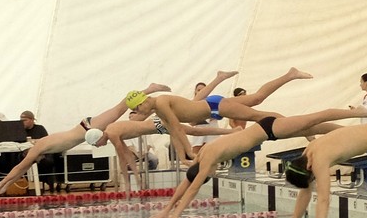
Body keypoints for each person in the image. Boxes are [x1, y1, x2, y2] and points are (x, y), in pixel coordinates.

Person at [150, 103, 367, 218]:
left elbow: (193, 188)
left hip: (268, 128)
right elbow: (188, 182)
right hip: (266, 130)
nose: (213, 172)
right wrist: (166, 209)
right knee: (313, 128)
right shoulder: (202, 155)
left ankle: (357, 113)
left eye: (209, 174)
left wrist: (174, 216)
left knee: (315, 119)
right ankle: (354, 131)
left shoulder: (207, 161)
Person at [0, 88, 172, 198]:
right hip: (86, 130)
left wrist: (1, 186)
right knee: (124, 123)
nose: (37, 160)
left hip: (87, 128)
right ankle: (158, 119)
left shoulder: (37, 148)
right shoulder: (41, 144)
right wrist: (2, 186)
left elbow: (18, 169)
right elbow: (19, 171)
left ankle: (149, 90)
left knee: (119, 109)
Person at [126, 68, 310, 166]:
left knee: (259, 115)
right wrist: (182, 157)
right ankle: (290, 75)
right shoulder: (158, 109)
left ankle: (302, 128)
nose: (140, 112)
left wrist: (189, 153)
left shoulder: (161, 103)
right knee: (257, 99)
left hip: (214, 106)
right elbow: (174, 133)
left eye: (138, 107)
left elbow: (179, 129)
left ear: (144, 100)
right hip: (213, 107)